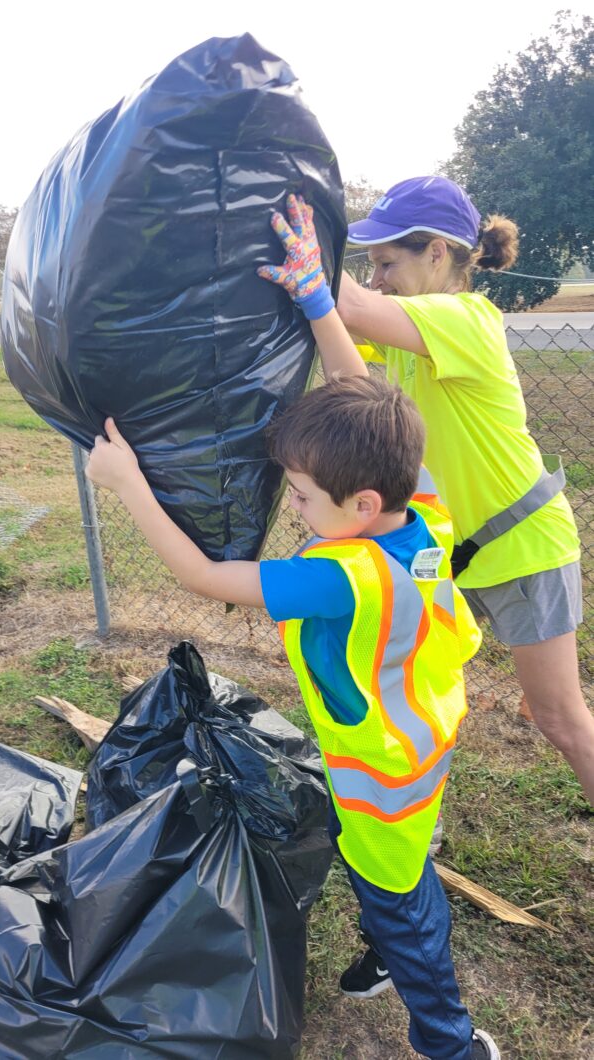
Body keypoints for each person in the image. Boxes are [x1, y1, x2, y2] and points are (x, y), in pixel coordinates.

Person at [86, 199, 500, 1059]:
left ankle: (449, 1041)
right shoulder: (423, 508)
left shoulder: (334, 577)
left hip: (380, 776)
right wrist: (317, 299)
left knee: (401, 900)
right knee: (395, 870)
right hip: (425, 735)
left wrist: (126, 484)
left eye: (305, 498)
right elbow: (370, 400)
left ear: (363, 503)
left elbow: (204, 577)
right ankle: (398, 936)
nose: (297, 511)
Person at [327, 175, 592, 804]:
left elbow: (350, 307)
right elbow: (345, 359)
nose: (378, 278)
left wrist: (288, 222)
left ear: (438, 253)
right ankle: (415, 814)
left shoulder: (467, 319)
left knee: (558, 717)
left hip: (521, 546)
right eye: (372, 266)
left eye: (387, 262)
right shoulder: (407, 335)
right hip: (452, 554)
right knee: (417, 687)